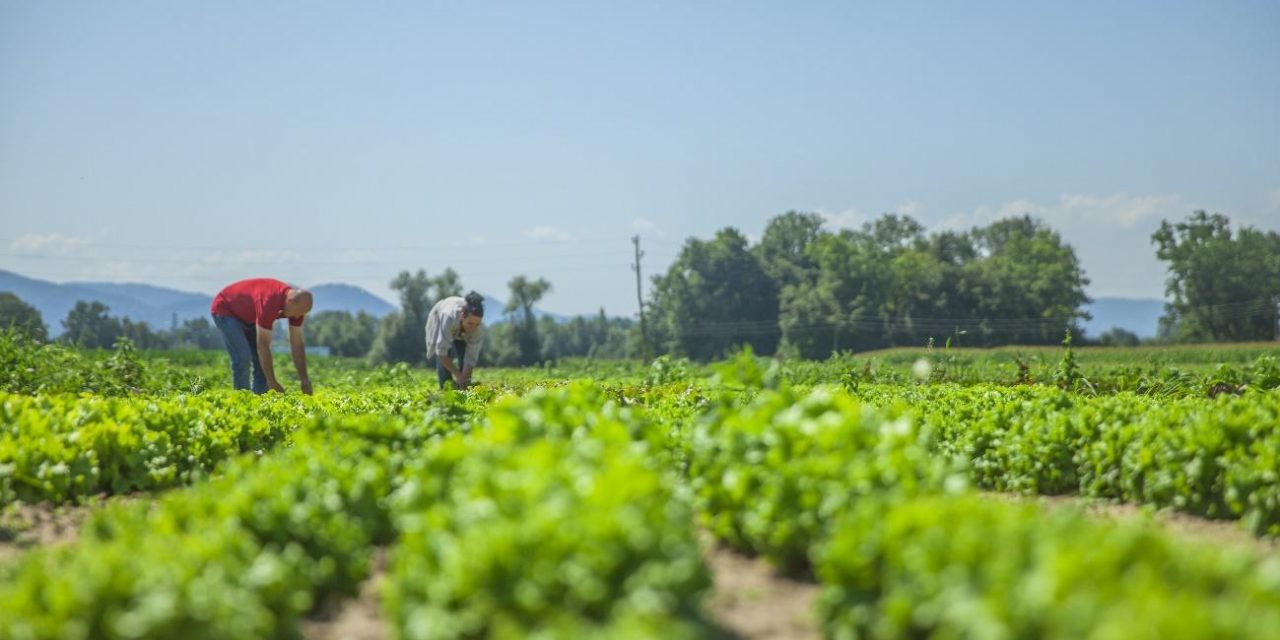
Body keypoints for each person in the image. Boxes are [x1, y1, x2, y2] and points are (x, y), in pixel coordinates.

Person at [210, 278, 314, 394]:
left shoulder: (297, 309)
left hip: (249, 317)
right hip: (226, 309)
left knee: (261, 364)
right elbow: (263, 345)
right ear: (289, 301)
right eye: (298, 312)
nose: (298, 316)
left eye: (302, 314)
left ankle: (259, 401)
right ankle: (242, 399)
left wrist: (304, 379)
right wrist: (272, 382)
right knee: (243, 357)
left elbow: (297, 345)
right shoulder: (269, 302)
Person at [425, 291, 485, 389]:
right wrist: (458, 375)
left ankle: (462, 389)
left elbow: (470, 358)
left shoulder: (478, 330)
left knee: (463, 357)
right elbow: (441, 353)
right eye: (470, 323)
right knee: (444, 358)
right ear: (462, 316)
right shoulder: (448, 317)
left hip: (461, 332)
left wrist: (464, 379)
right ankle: (446, 389)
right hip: (441, 318)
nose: (473, 327)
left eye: (477, 324)